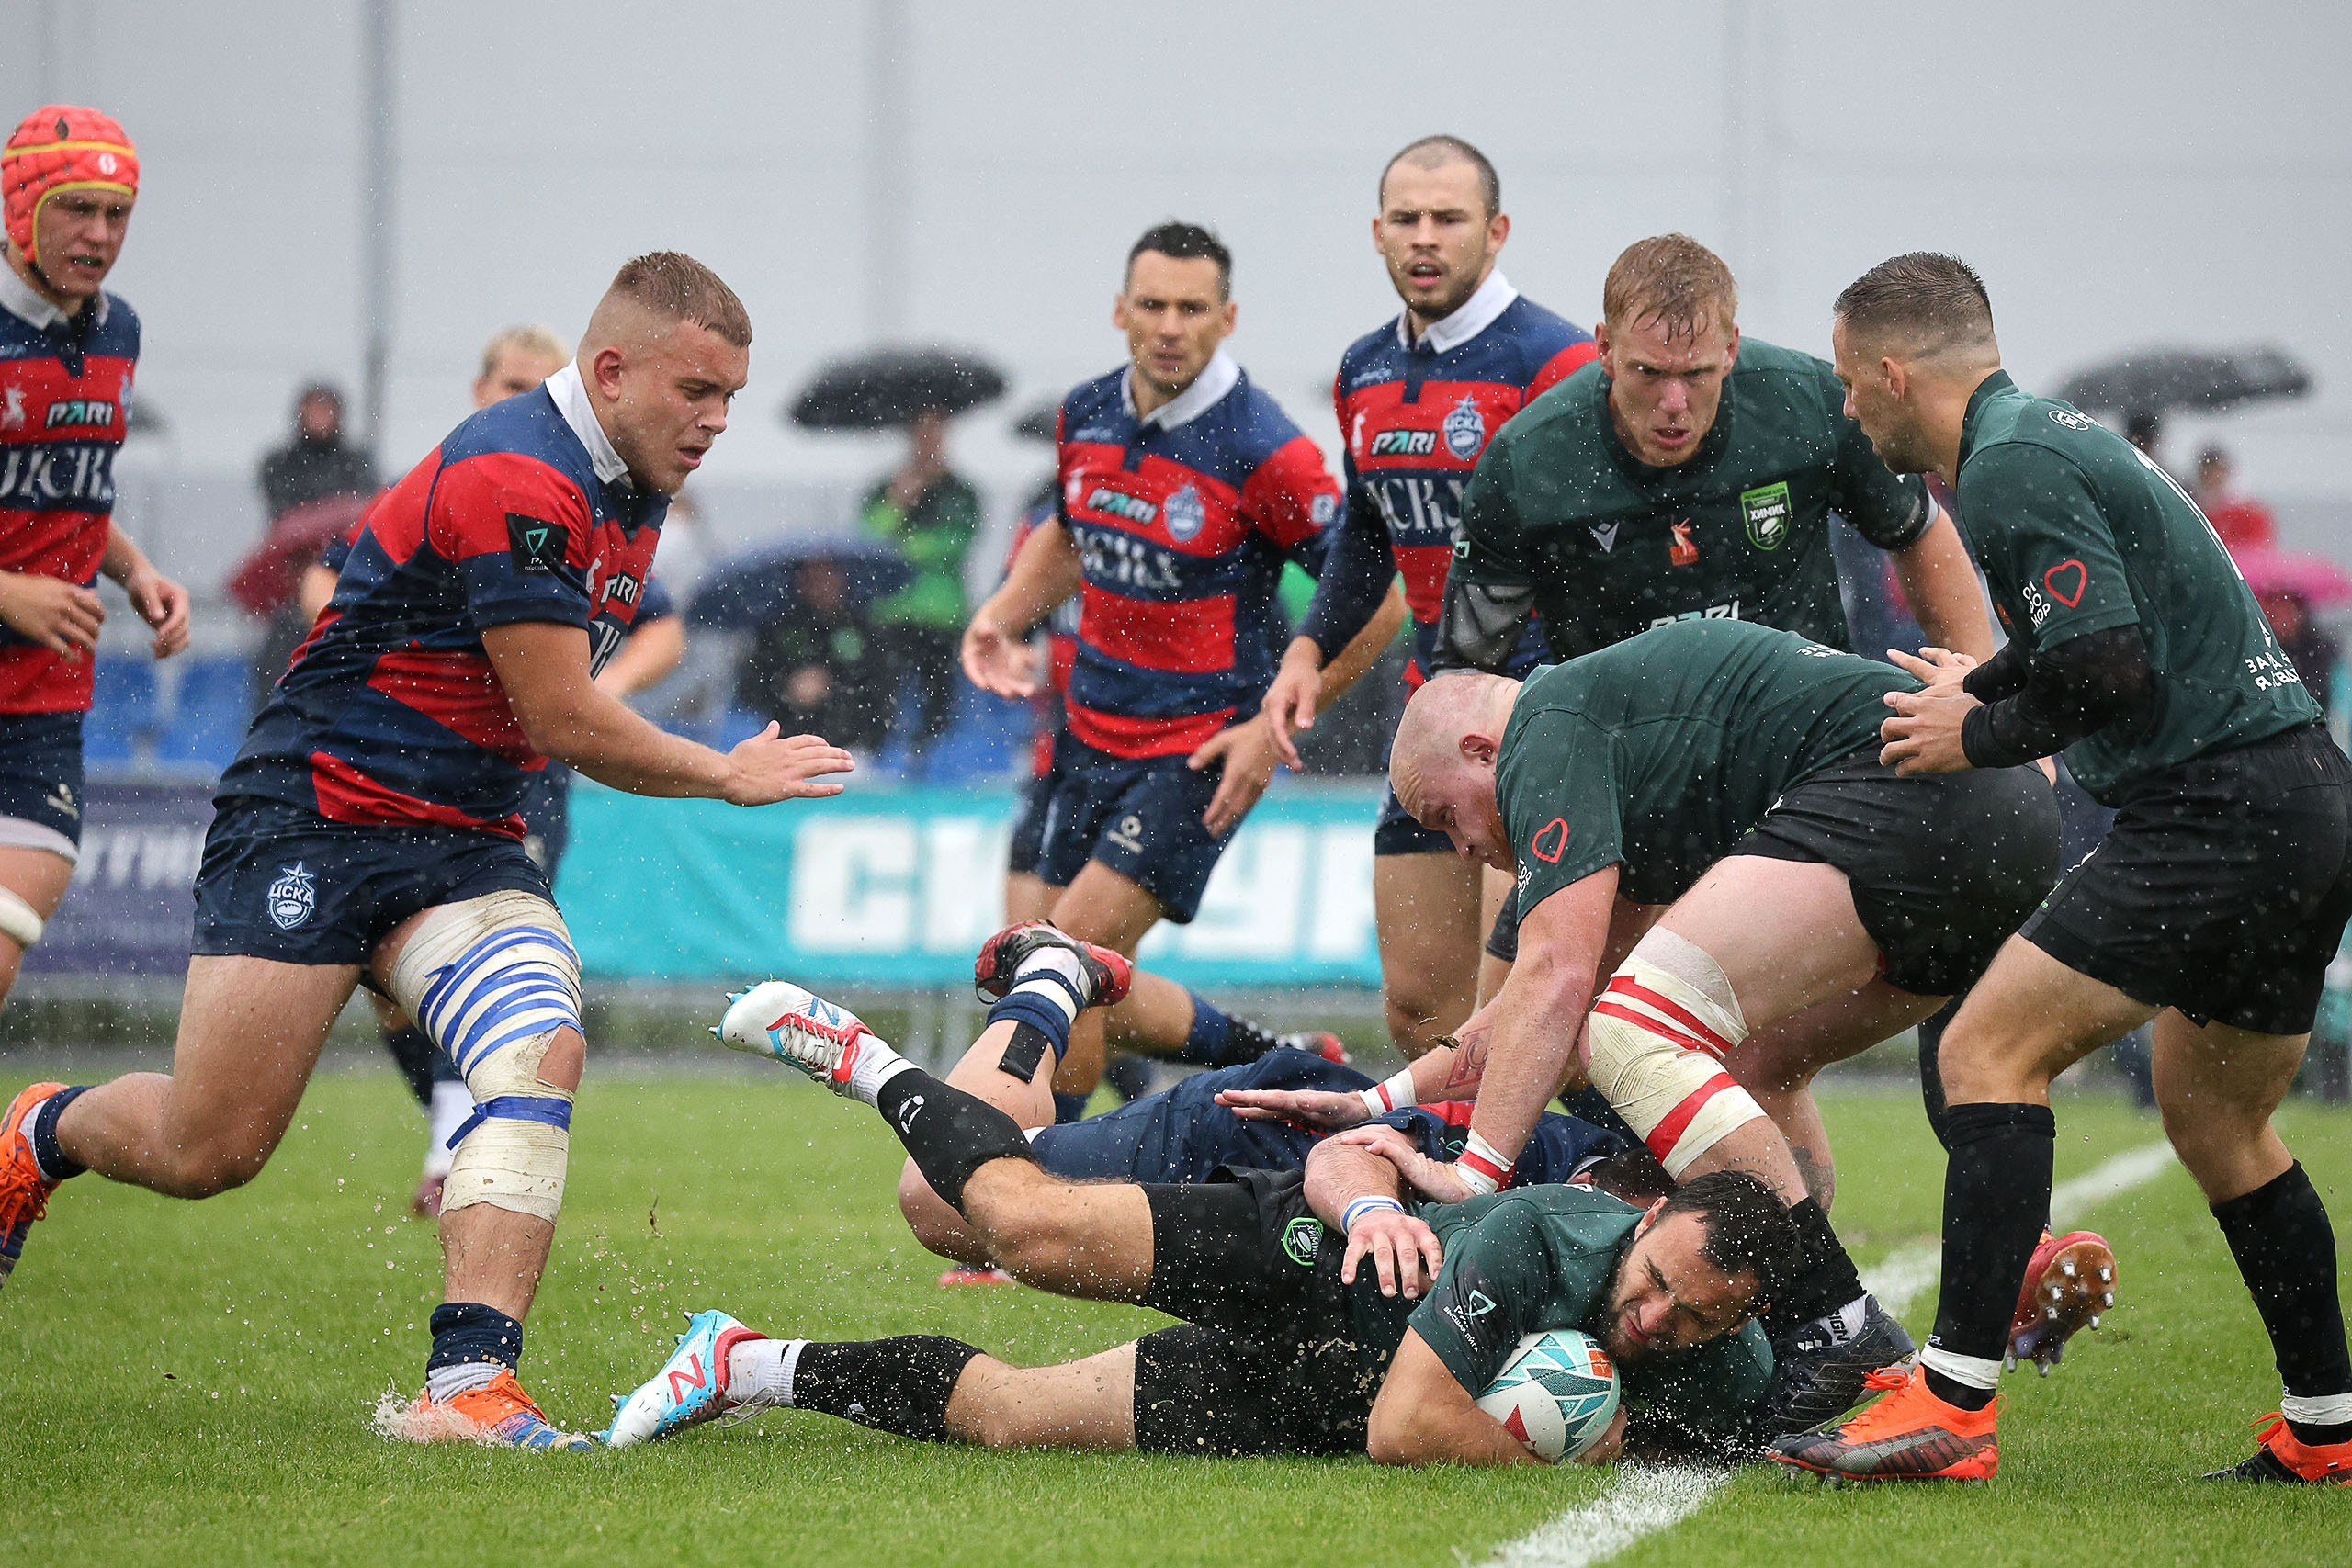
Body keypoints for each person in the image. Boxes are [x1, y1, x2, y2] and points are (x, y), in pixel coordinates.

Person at [0, 254, 856, 1449]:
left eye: (731, 397)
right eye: (699, 392)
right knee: (209, 1148)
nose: (718, 422)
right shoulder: (520, 471)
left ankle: (469, 1385)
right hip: (313, 816)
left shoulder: (633, 471)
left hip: (460, 842)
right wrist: (721, 769)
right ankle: (43, 1124)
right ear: (611, 372)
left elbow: (545, 699)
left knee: (539, 1040)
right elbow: (562, 714)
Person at [1777, 252, 2352, 1484]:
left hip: (2214, 808)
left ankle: (1953, 1406)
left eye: (1844, 381)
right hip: (2303, 797)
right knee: (2221, 1119)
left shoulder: (2009, 463)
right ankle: (2327, 1427)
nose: (1845, 410)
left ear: (1890, 371)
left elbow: (2111, 668)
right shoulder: (2050, 435)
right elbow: (2086, 641)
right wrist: (1980, 682)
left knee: (1988, 1050)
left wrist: (1972, 733)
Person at [600, 970, 1800, 1463]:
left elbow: (1769, 1420)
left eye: (1687, 1317)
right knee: (1015, 1226)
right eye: (1651, 1281)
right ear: (1643, 1219)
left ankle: (742, 1360)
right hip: (1313, 1264)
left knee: (1018, 1418)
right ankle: (863, 1057)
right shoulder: (1542, 1227)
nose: (1650, 1315)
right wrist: (1560, 1442)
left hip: (1308, 1393)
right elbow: (1408, 1424)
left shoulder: (1728, 1351)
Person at [1433, 233, 1996, 976]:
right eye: (1647, 373)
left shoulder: (1807, 405)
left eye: (1697, 374)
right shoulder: (1529, 462)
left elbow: (1919, 531)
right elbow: (1471, 680)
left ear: (1731, 348)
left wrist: (1979, 688)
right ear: (1602, 348)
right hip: (1621, 772)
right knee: (1530, 1014)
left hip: (1797, 765)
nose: (1674, 403)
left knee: (1733, 1034)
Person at [960, 222, 1403, 1114]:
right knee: (1071, 971)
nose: (1170, 325)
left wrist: (1274, 726)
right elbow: (1072, 532)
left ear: (1226, 317)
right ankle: (1279, 1059)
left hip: (1199, 752)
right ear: (1119, 311)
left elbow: (1380, 596)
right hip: (1086, 737)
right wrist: (1000, 616)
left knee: (1060, 954)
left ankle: (1034, 1182)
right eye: (1153, 305)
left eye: (1191, 308)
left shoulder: (1263, 446)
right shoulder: (1084, 412)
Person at [297, 321, 688, 1217]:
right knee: (387, 980)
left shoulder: (581, 500)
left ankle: (450, 1153)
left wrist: (597, 687)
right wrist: (367, 636)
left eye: (538, 383)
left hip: (521, 771)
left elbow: (663, 623)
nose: (522, 395)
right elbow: (324, 577)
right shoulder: (441, 482)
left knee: (482, 948)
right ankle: (455, 1131)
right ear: (479, 389)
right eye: (510, 379)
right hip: (402, 765)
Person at [1260, 134, 1597, 1060]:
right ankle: (1456, 1196)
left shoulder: (1555, 362)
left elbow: (1600, 551)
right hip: (1427, 716)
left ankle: (1549, 1197)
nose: (1425, 236)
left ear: (1495, 232)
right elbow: (1367, 531)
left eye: (1447, 218)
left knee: (1521, 1003)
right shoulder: (1362, 370)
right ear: (1376, 232)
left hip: (1540, 713)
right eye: (1406, 218)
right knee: (1417, 1009)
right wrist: (1304, 651)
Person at [868, 921, 1651, 1271]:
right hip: (1236, 1141)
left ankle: (1281, 1051)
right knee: (940, 1198)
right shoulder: (1539, 1168)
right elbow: (1362, 1153)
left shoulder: (1636, 1201)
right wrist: (1374, 1210)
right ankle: (1048, 979)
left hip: (1277, 1199)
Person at [0, 105, 189, 1026]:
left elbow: (72, 495)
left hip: (43, 701)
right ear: (21, 207)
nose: (100, 234)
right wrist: (9, 594)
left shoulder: (118, 331)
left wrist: (134, 570)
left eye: (117, 214)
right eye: (77, 208)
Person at [861, 406, 980, 754]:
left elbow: (954, 544)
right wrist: (898, 502)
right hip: (893, 611)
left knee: (938, 700)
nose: (929, 442)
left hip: (941, 612)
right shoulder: (886, 487)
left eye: (936, 433)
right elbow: (868, 537)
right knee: (882, 694)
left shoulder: (960, 492)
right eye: (922, 433)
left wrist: (904, 546)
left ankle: (929, 758)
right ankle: (878, 756)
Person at [733, 555, 890, 753]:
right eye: (810, 576)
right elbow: (751, 691)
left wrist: (832, 687)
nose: (819, 584)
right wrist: (787, 687)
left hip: (851, 752)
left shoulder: (866, 630)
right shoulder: (777, 630)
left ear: (842, 576)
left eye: (826, 574)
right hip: (788, 750)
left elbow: (881, 691)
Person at [2194, 444, 2278, 555]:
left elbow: (2259, 553)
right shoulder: (2197, 512)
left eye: (2217, 473)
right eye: (2208, 474)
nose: (2212, 479)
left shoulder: (2250, 514)